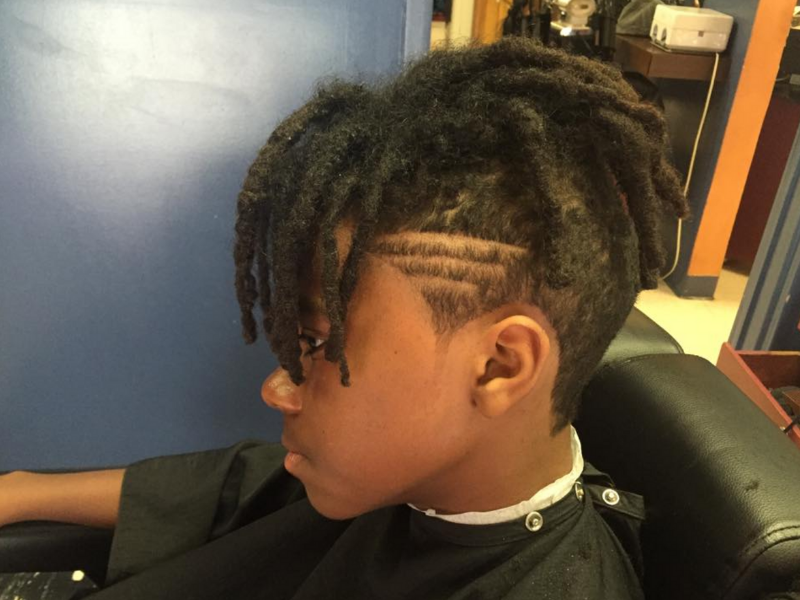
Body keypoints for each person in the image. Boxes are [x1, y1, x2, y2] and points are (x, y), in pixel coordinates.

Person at [0, 37, 686, 598]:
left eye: (319, 342)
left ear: (501, 364)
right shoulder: (407, 474)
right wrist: (19, 492)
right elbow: (237, 486)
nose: (278, 385)